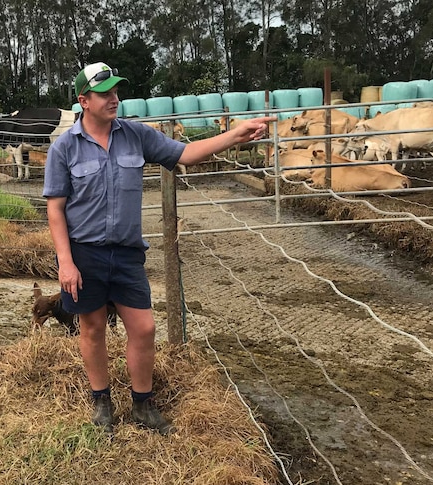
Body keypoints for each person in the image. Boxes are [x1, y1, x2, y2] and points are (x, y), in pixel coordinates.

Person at [43, 62, 274, 436]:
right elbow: (55, 209)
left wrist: (234, 136)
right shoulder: (64, 148)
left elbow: (186, 153)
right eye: (105, 94)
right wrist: (65, 263)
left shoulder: (136, 135)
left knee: (145, 327)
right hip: (84, 254)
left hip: (128, 253)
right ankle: (101, 400)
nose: (114, 99)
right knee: (92, 327)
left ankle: (142, 403)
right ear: (84, 101)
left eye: (116, 92)